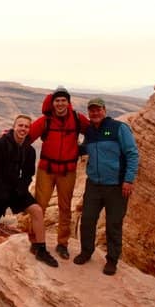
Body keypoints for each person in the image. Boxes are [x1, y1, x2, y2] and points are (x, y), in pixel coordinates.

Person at [0, 114, 58, 282]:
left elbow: (28, 173)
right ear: (14, 127)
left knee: (36, 210)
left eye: (26, 127)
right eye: (20, 125)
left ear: (29, 130)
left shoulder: (29, 150)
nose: (23, 129)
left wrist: (21, 189)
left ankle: (41, 250)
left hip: (15, 190)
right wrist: (2, 195)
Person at [74, 97, 140, 275]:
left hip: (117, 186)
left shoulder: (119, 128)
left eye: (98, 110)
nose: (95, 113)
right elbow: (85, 149)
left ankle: (112, 260)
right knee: (87, 220)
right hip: (94, 184)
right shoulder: (90, 131)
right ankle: (86, 252)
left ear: (104, 110)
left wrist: (128, 180)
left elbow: (132, 154)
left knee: (113, 224)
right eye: (92, 110)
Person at [27, 85, 89, 260]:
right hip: (46, 170)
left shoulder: (77, 118)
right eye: (57, 101)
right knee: (39, 207)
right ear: (53, 103)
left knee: (65, 208)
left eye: (63, 100)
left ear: (68, 103)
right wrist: (9, 136)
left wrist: (84, 147)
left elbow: (93, 131)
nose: (60, 103)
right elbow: (28, 136)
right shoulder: (45, 120)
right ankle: (35, 241)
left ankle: (62, 244)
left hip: (67, 171)